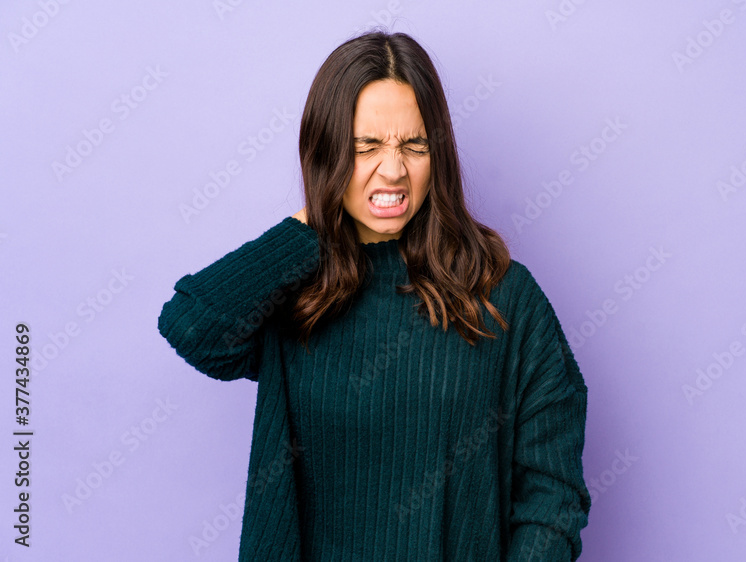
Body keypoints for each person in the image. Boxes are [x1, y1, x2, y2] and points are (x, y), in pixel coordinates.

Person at [157, 29, 591, 561]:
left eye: (414, 145)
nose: (394, 169)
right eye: (365, 148)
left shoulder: (506, 295)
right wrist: (314, 222)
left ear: (439, 154)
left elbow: (554, 496)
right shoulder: (296, 295)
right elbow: (193, 327)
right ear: (327, 153)